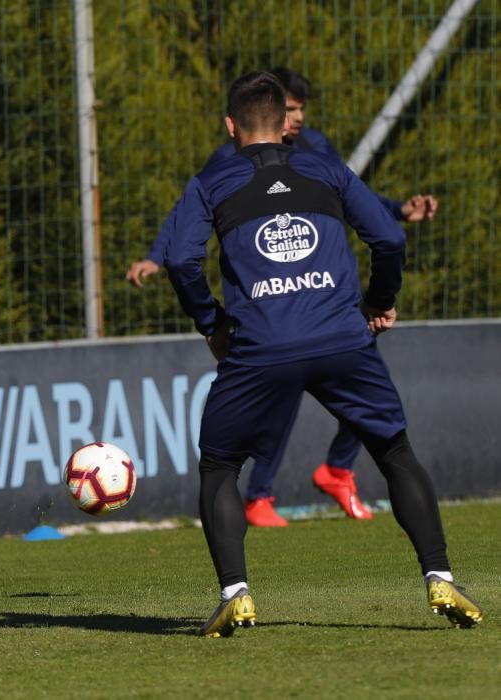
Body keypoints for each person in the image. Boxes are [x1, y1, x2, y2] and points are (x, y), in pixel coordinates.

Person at [163, 71, 481, 636]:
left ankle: (236, 592)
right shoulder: (325, 169)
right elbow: (390, 238)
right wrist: (378, 303)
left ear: (231, 126)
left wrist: (212, 325)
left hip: (259, 347)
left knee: (219, 465)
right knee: (394, 450)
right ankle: (439, 576)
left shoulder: (210, 182)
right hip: (342, 338)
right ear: (286, 123)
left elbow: (181, 260)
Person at [127, 66, 439, 528]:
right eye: (290, 110)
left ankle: (329, 473)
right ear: (271, 114)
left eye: (300, 112)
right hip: (290, 315)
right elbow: (188, 219)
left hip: (300, 317)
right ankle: (263, 493)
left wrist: (398, 210)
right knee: (301, 397)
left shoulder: (318, 153)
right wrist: (157, 255)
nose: (296, 119)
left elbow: (355, 199)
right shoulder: (226, 165)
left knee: (334, 384)